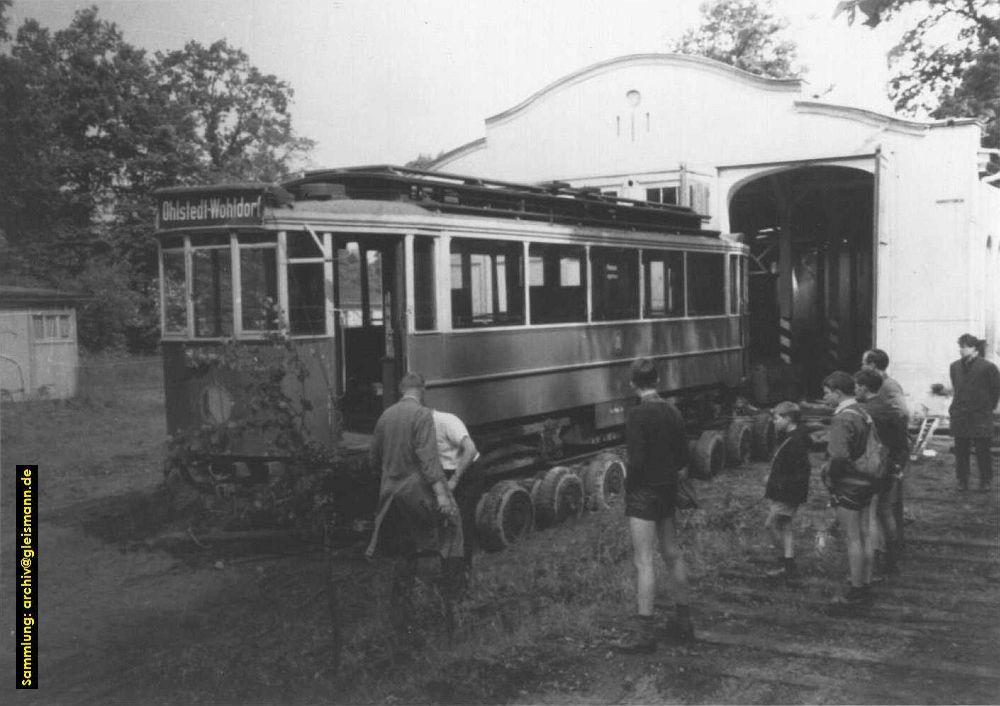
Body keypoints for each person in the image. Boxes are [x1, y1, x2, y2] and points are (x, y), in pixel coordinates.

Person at [366, 372, 462, 633]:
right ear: (423, 389)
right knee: (449, 533)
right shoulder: (422, 416)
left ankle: (401, 612)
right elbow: (429, 461)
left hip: (388, 496)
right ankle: (447, 604)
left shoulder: (385, 416)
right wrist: (442, 495)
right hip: (415, 493)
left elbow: (373, 458)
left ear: (401, 390)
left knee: (404, 551)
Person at [617, 358, 693, 653]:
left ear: (633, 383)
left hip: (643, 494)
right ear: (658, 381)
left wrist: (629, 485)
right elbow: (684, 458)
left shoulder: (637, 415)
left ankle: (644, 633)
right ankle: (684, 622)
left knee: (644, 561)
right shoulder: (673, 411)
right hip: (668, 490)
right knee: (673, 554)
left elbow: (635, 462)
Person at [821, 370, 876, 606]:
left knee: (852, 537)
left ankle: (855, 589)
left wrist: (830, 478)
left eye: (826, 393)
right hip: (868, 480)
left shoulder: (842, 418)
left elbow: (839, 456)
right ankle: (865, 581)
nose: (824, 398)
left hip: (849, 485)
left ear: (837, 392)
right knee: (865, 533)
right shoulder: (863, 412)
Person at [855, 369, 909, 576]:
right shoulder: (891, 408)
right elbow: (902, 443)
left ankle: (876, 558)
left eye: (856, 387)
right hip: (891, 465)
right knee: (886, 511)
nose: (855, 390)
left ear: (863, 387)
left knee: (871, 515)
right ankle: (892, 557)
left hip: (873, 468)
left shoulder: (865, 412)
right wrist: (897, 466)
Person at [763, 401, 812, 587]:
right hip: (787, 491)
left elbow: (799, 471)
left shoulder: (795, 441)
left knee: (771, 525)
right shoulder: (792, 436)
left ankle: (785, 561)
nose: (774, 422)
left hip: (787, 493)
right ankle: (788, 562)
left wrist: (777, 484)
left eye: (777, 418)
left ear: (788, 418)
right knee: (785, 526)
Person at [432, 408, 484, 580]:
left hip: (467, 471)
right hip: (446, 472)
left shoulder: (447, 421)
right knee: (447, 518)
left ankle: (464, 568)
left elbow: (470, 449)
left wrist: (454, 479)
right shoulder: (419, 427)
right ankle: (449, 566)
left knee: (462, 517)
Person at [949, 334, 1000, 492]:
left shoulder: (988, 367)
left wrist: (987, 408)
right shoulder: (955, 366)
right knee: (961, 450)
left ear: (975, 348)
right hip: (961, 415)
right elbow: (957, 389)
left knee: (982, 450)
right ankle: (962, 481)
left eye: (964, 346)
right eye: (960, 346)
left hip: (980, 415)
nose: (961, 349)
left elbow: (995, 391)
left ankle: (985, 481)